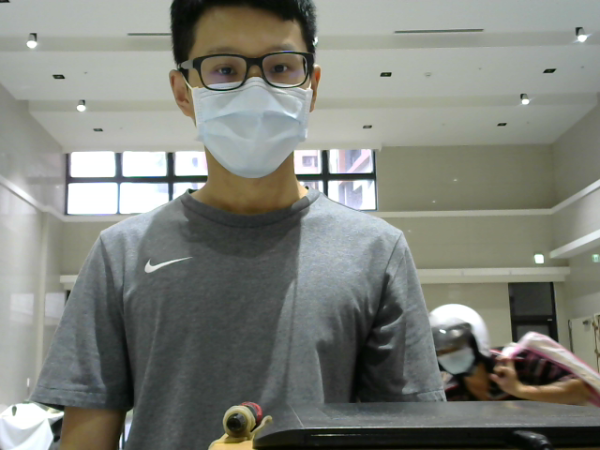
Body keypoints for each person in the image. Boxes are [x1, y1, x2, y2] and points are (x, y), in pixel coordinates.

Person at [30, 1, 444, 449]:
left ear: (312, 85)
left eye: (281, 67)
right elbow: (86, 439)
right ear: (183, 92)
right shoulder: (122, 254)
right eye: (225, 69)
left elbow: (411, 434)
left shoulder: (376, 253)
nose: (256, 89)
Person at [429, 304, 592, 405]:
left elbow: (581, 391)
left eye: (456, 346)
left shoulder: (517, 362)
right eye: (442, 351)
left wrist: (519, 389)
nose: (449, 355)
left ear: (476, 341)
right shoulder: (451, 393)